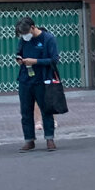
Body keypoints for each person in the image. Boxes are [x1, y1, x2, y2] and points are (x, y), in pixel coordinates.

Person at [15, 16, 60, 150]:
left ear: (33, 27)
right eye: (22, 34)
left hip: (43, 80)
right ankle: (29, 140)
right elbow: (18, 52)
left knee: (46, 110)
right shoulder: (23, 39)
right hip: (25, 80)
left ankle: (49, 139)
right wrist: (19, 58)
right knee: (26, 111)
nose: (25, 36)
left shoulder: (48, 39)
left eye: (26, 33)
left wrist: (35, 61)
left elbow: (54, 59)